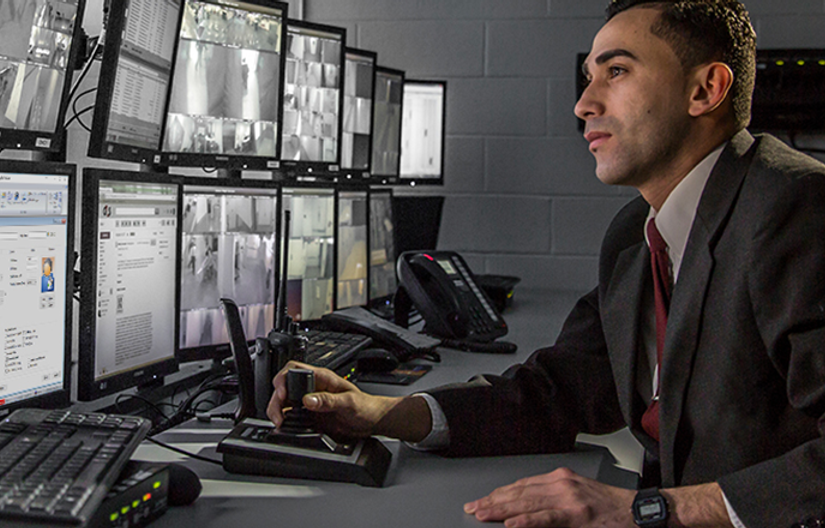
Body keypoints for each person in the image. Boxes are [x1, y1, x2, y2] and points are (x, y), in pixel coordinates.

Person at [267, 1, 825, 527]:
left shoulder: (796, 209)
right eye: (588, 78)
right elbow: (557, 392)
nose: (584, 103)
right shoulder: (637, 235)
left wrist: (646, 511)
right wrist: (380, 412)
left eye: (617, 72)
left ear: (706, 89)